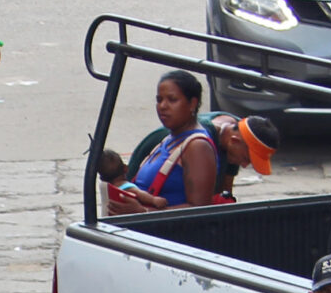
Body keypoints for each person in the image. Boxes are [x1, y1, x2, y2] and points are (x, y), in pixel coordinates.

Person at [109, 71, 222, 210]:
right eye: (159, 100)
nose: (162, 106)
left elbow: (199, 210)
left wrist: (143, 212)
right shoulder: (168, 139)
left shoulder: (198, 147)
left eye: (172, 99)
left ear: (192, 103)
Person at [216, 110, 279, 201]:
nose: (244, 165)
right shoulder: (202, 142)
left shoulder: (236, 134)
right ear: (234, 141)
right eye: (245, 159)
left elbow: (226, 194)